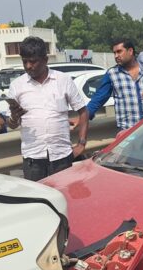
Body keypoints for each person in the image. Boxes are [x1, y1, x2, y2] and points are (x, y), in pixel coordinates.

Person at [6, 37, 89, 181]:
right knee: (37, 199)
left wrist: (81, 144)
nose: (28, 66)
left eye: (33, 61)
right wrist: (14, 117)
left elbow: (83, 112)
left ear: (45, 60)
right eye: (24, 61)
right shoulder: (17, 86)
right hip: (33, 158)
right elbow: (12, 125)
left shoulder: (63, 81)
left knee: (65, 197)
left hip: (62, 156)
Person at [87, 39, 143, 131]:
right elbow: (98, 98)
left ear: (130, 51)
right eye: (114, 53)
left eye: (119, 51)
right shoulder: (112, 74)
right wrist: (84, 116)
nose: (116, 56)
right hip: (125, 132)